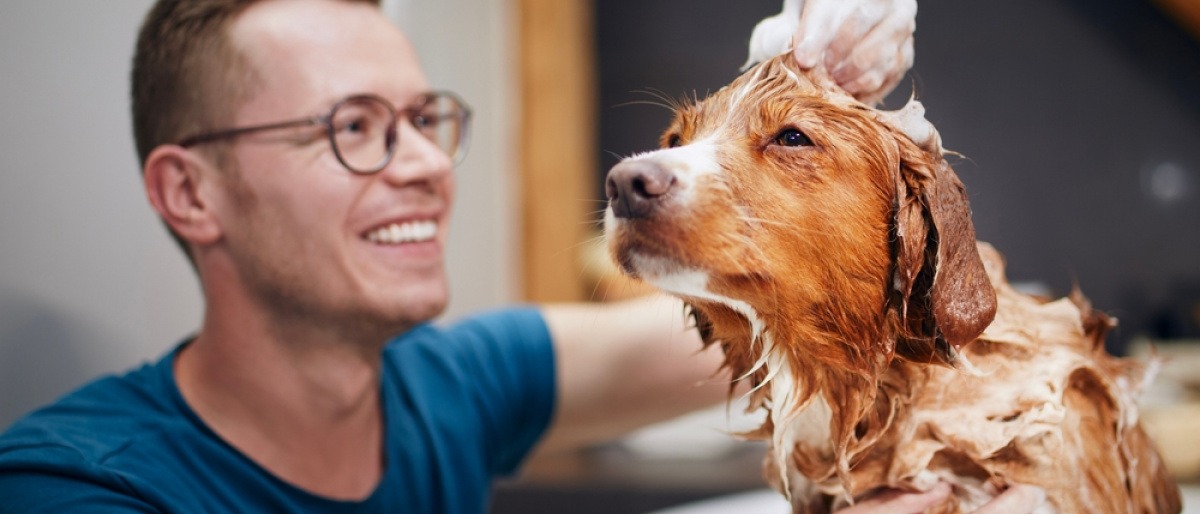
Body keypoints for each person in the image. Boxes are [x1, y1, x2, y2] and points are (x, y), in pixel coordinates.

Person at [0, 0, 1042, 512]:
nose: (422, 166)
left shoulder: (444, 387)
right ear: (192, 192)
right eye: (355, 128)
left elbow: (837, 324)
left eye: (425, 118)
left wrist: (823, 162)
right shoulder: (75, 487)